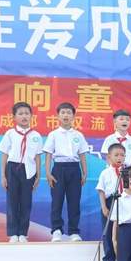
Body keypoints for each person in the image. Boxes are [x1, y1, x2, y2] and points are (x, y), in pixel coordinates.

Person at [0, 102, 43, 243]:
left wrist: (38, 175)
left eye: (27, 113)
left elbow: (37, 157)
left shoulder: (36, 135)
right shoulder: (10, 134)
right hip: (12, 168)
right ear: (14, 117)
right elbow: (4, 154)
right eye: (20, 113)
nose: (24, 116)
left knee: (26, 202)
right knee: (12, 202)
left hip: (29, 170)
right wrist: (3, 175)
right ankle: (13, 233)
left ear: (31, 116)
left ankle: (23, 233)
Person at [44, 102, 88, 242]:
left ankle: (74, 231)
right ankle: (56, 230)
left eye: (69, 112)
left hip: (74, 169)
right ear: (58, 116)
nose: (66, 115)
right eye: (63, 112)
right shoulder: (53, 134)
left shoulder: (78, 135)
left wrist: (84, 172)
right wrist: (48, 173)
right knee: (57, 201)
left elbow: (82, 154)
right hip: (58, 169)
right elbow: (48, 154)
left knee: (74, 201)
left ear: (73, 116)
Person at [96, 143, 126, 261]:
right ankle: (109, 260)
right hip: (110, 202)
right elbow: (101, 191)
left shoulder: (127, 172)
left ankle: (124, 259)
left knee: (123, 232)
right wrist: (104, 207)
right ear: (109, 157)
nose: (119, 158)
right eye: (116, 155)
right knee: (108, 232)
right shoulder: (105, 173)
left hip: (124, 203)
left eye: (122, 155)